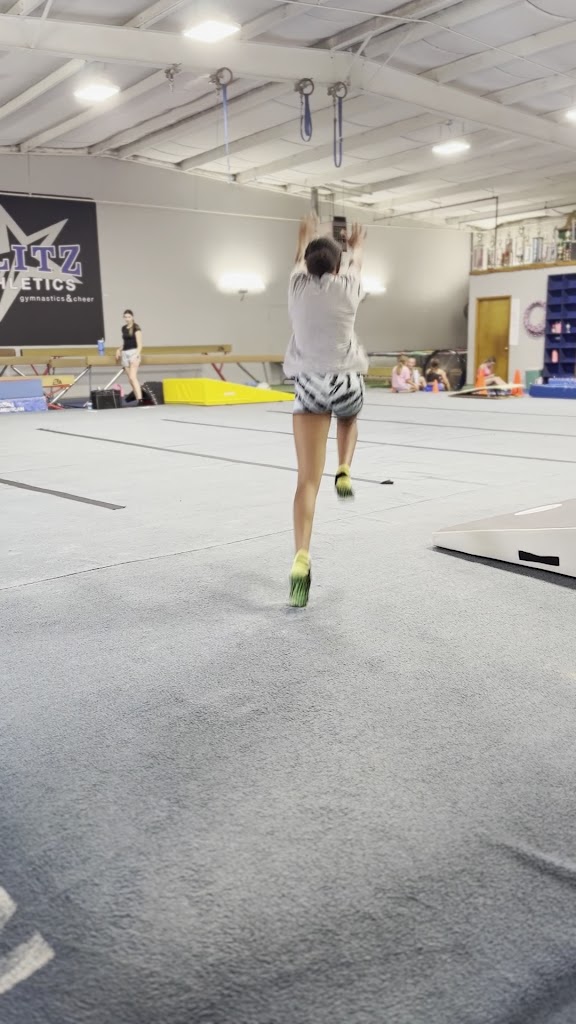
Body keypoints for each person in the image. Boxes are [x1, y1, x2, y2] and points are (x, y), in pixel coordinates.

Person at [284, 213, 368, 608]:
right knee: (349, 417)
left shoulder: (296, 288)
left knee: (306, 481)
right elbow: (357, 261)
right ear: (337, 268)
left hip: (309, 384)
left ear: (308, 265)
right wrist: (354, 245)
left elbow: (297, 261)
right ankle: (345, 466)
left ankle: (301, 555)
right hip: (347, 379)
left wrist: (303, 238)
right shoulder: (349, 287)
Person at [116, 309, 143, 404]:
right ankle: (137, 398)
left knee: (132, 377)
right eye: (125, 317)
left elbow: (140, 345)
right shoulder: (123, 328)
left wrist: (136, 356)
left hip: (133, 353)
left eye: (129, 317)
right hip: (125, 354)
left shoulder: (136, 328)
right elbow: (126, 343)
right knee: (130, 380)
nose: (127, 319)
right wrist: (118, 349)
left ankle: (140, 399)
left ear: (132, 317)